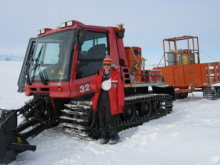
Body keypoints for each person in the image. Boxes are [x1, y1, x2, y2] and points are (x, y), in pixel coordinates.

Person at [90, 55, 125, 145]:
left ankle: (113, 136)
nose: (106, 66)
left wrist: (120, 104)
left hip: (111, 101)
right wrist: (99, 86)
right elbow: (92, 86)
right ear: (103, 65)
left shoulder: (116, 75)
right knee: (101, 119)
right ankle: (103, 136)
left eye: (108, 64)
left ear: (111, 65)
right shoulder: (98, 75)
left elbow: (120, 91)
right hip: (100, 101)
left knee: (110, 119)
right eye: (105, 64)